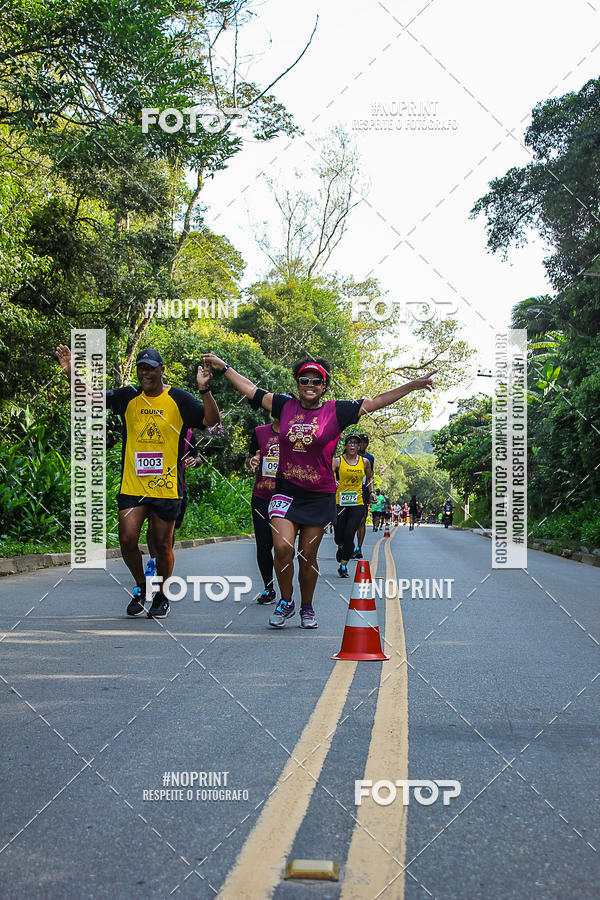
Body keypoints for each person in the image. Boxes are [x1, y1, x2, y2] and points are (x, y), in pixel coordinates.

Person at [202, 352, 435, 629]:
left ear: (324, 386)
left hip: (318, 495)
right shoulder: (284, 405)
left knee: (307, 555)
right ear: (298, 383)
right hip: (286, 491)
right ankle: (286, 600)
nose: (310, 384)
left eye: (316, 380)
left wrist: (413, 385)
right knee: (282, 547)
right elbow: (251, 389)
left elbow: (375, 402)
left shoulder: (336, 411)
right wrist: (224, 367)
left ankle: (307, 606)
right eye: (304, 379)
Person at [56, 344, 220, 618]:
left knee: (161, 544)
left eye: (150, 368)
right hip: (133, 485)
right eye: (141, 368)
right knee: (127, 539)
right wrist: (72, 372)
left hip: (167, 486)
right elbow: (92, 398)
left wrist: (204, 390)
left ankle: (162, 595)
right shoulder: (127, 396)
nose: (145, 373)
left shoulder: (179, 399)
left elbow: (211, 422)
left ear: (161, 370)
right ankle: (142, 587)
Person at [145, 428, 202, 575]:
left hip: (177, 488)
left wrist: (194, 461)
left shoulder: (188, 434)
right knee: (152, 525)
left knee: (168, 530)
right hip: (151, 485)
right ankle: (153, 561)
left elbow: (198, 457)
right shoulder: (155, 428)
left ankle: (164, 559)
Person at [247, 413, 282, 603]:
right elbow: (250, 458)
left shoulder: (297, 434)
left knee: (284, 547)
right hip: (262, 496)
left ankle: (285, 587)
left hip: (287, 498)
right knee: (264, 544)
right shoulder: (260, 432)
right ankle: (269, 588)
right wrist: (251, 462)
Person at [333, 434, 375, 577]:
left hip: (357, 502)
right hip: (340, 501)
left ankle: (343, 565)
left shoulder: (365, 462)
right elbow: (326, 474)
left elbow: (369, 477)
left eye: (355, 443)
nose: (352, 445)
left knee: (350, 531)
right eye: (350, 443)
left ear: (359, 446)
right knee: (339, 534)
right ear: (346, 446)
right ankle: (341, 547)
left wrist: (372, 492)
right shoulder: (338, 461)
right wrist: (333, 482)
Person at [354, 433, 375, 558]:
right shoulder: (348, 455)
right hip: (348, 490)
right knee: (348, 520)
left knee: (361, 520)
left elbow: (370, 475)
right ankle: (346, 545)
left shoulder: (370, 458)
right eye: (359, 442)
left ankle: (359, 548)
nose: (362, 445)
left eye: (364, 442)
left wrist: (371, 491)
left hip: (363, 491)